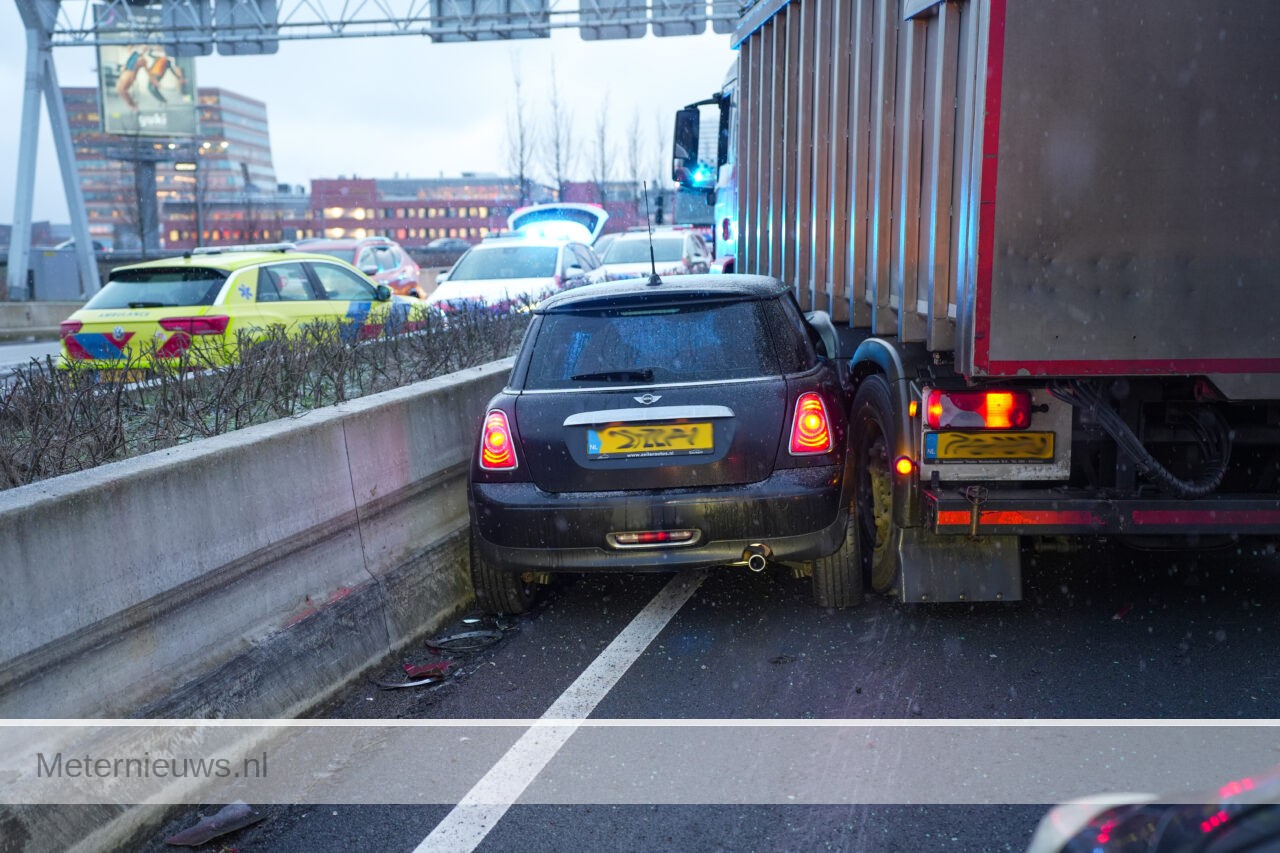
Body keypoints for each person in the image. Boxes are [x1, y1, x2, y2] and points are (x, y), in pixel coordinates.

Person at [115, 45, 149, 111]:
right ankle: (132, 105)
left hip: (129, 74)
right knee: (121, 90)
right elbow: (129, 49)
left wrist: (132, 77)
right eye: (142, 48)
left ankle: (133, 105)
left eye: (144, 49)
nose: (143, 50)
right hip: (125, 73)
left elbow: (138, 69)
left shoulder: (141, 58)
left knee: (123, 90)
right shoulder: (134, 53)